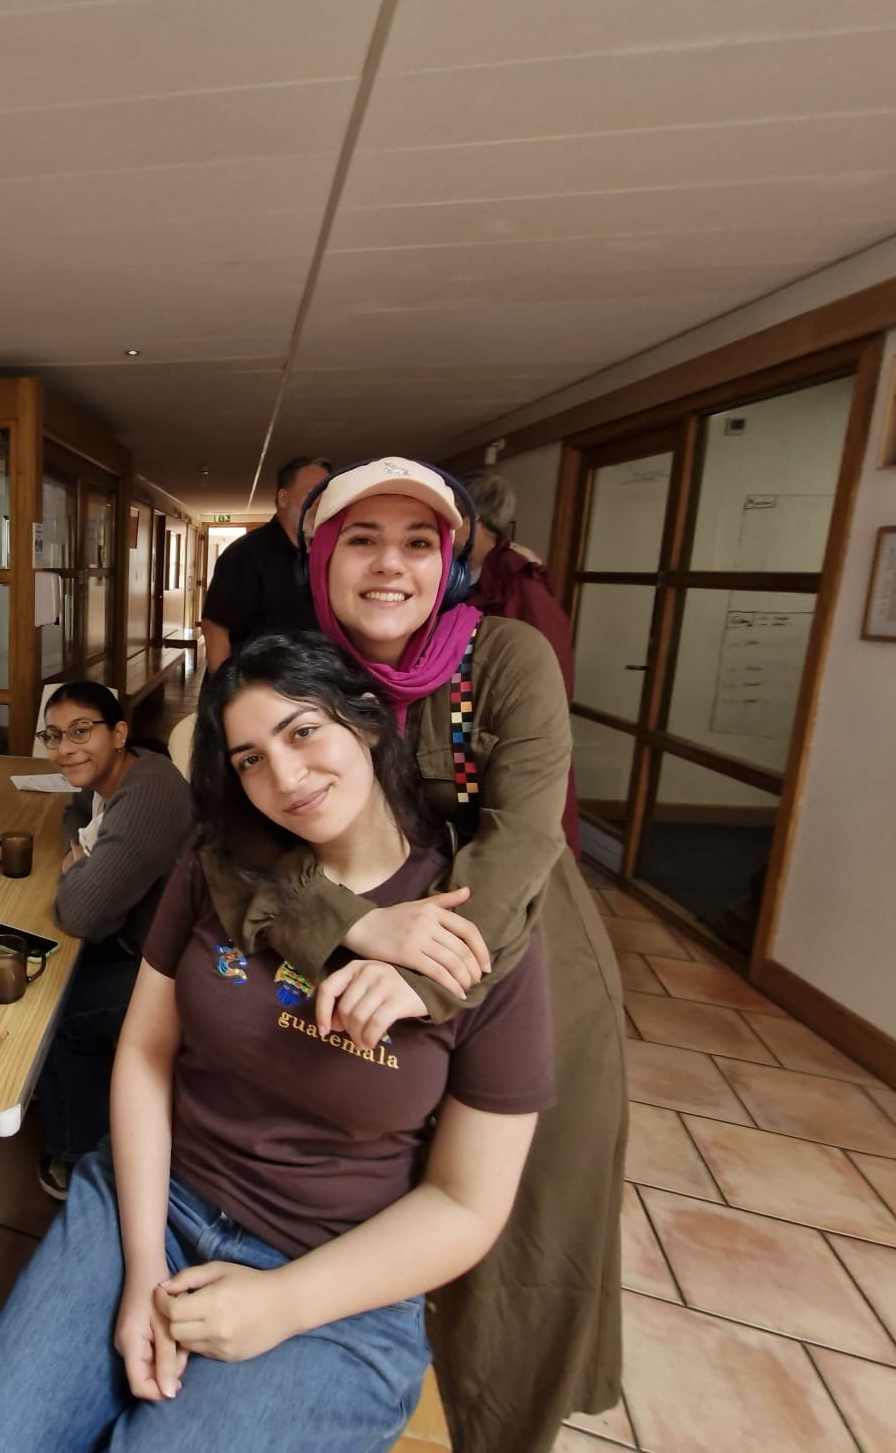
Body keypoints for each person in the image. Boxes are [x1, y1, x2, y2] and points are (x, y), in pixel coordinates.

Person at [0, 634, 554, 1453]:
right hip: (156, 1199)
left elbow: (469, 1202)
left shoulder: (474, 927)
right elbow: (147, 1053)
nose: (285, 778)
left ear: (367, 725)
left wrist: (282, 1304)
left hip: (335, 1269)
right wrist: (140, 1263)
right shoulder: (218, 867)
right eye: (251, 759)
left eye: (304, 732)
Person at [205, 456, 627, 1453]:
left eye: (415, 542)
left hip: (517, 950)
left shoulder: (508, 658)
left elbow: (518, 841)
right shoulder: (294, 672)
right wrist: (353, 926)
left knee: (515, 1227)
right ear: (319, 556)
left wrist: (414, 973)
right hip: (351, 950)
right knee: (362, 1192)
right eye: (360, 538)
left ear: (450, 559)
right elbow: (231, 849)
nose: (387, 564)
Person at [34, 680, 193, 1199]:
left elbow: (81, 913)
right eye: (54, 736)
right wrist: (84, 856)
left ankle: (78, 1155)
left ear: (119, 732)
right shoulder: (119, 775)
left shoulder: (150, 791)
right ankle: (70, 1093)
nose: (64, 749)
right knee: (38, 962)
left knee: (52, 1010)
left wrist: (79, 868)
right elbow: (76, 815)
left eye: (82, 731)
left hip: (182, 972)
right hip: (145, 945)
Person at [459, 468, 581, 852]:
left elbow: (549, 666)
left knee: (511, 832)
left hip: (502, 727)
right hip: (464, 721)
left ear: (471, 519)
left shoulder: (518, 577)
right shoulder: (467, 572)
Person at [199, 454, 331, 670]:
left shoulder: (328, 554)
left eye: (326, 495)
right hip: (256, 690)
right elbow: (215, 630)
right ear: (283, 498)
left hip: (315, 688)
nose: (320, 503)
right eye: (312, 494)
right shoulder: (244, 554)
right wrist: (226, 697)